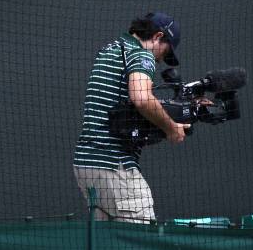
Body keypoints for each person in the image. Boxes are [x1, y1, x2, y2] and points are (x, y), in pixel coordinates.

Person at [73, 12, 190, 223]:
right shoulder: (141, 54)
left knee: (110, 246)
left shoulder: (111, 50)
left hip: (86, 165)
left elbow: (122, 108)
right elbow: (142, 98)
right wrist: (171, 128)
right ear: (157, 36)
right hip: (112, 162)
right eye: (166, 50)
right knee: (142, 243)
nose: (161, 59)